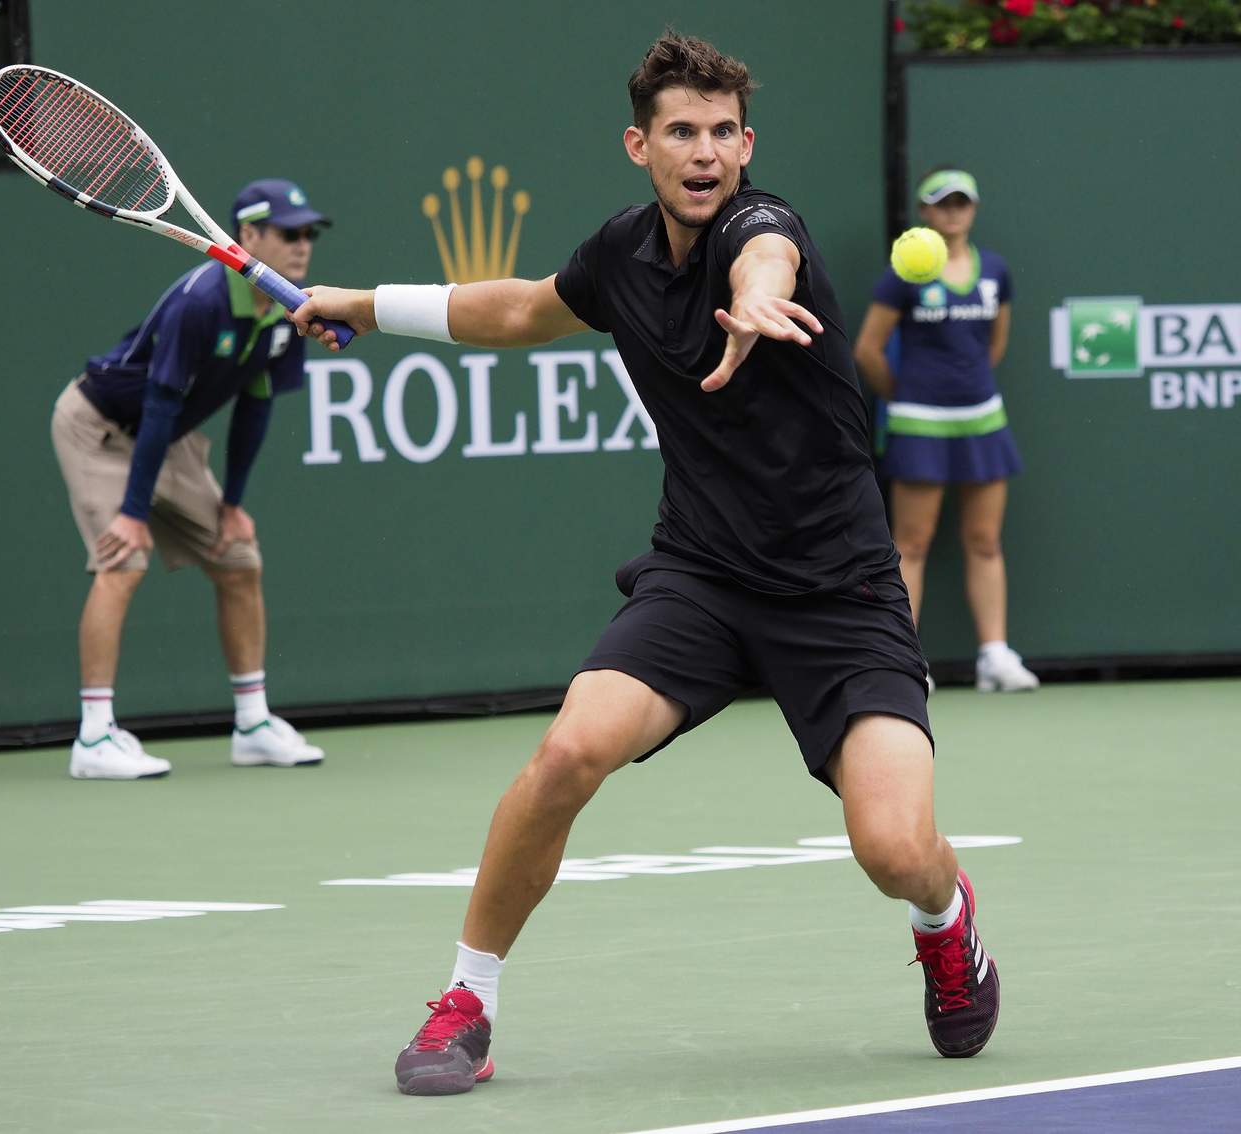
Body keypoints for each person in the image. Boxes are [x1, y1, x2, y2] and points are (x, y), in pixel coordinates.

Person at [291, 34, 1000, 1094]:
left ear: (746, 145)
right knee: (566, 754)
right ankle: (467, 1003)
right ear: (640, 146)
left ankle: (946, 923)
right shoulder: (618, 255)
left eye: (722, 133)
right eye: (680, 132)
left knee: (895, 849)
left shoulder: (765, 230)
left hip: (840, 593)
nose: (703, 152)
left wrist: (759, 293)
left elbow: (767, 253)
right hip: (702, 579)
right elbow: (520, 308)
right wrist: (363, 304)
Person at [51, 178, 330, 780]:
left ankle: (252, 725)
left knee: (240, 559)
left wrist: (232, 503)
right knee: (122, 561)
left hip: (165, 434)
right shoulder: (199, 302)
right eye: (289, 233)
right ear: (248, 235)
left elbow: (256, 405)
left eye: (308, 233)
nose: (302, 244)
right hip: (98, 427)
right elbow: (158, 403)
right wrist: (133, 512)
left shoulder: (291, 310)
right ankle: (94, 737)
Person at [854, 169, 1038, 693]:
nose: (953, 211)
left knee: (985, 540)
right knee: (911, 544)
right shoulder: (903, 274)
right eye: (942, 203)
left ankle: (995, 656)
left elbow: (994, 346)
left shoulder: (995, 271)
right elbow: (868, 350)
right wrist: (907, 395)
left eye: (962, 202)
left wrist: (965, 386)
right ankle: (904, 660)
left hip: (983, 418)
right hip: (920, 424)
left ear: (973, 209)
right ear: (925, 212)